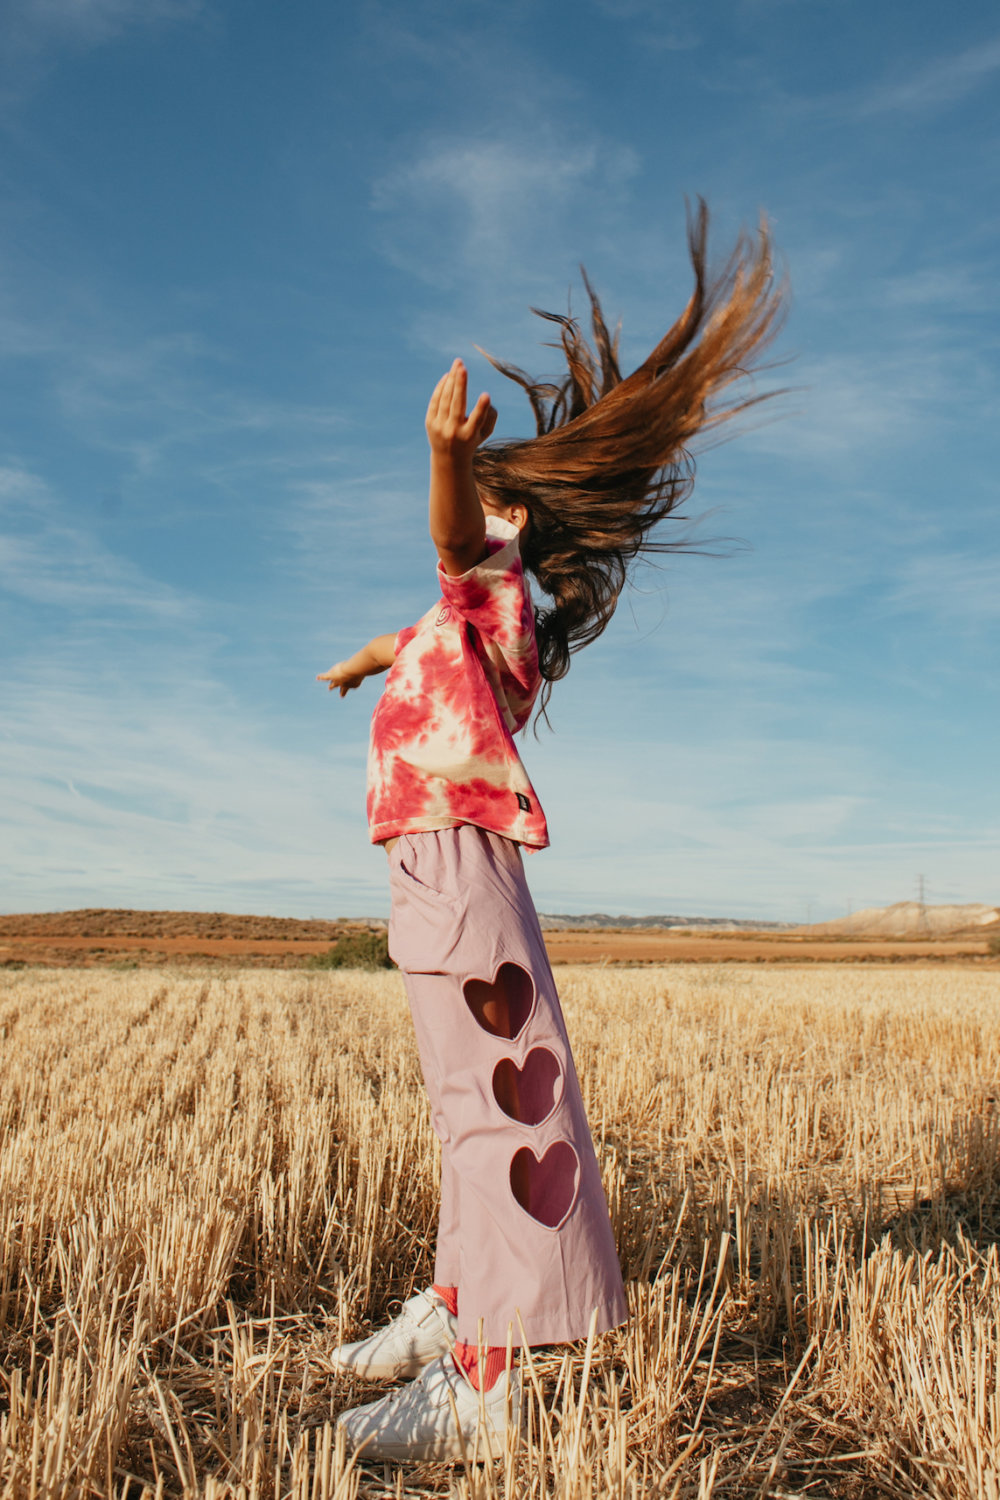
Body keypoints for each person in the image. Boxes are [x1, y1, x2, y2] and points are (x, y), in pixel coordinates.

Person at [317, 202, 785, 1464]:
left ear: (519, 529)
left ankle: (488, 1382)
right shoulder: (452, 626)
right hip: (428, 854)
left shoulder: (498, 590)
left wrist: (443, 457)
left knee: (498, 1105)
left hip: (460, 853)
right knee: (462, 1098)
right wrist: (367, 662)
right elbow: (414, 624)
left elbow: (455, 542)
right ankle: (461, 1300)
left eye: (493, 507)